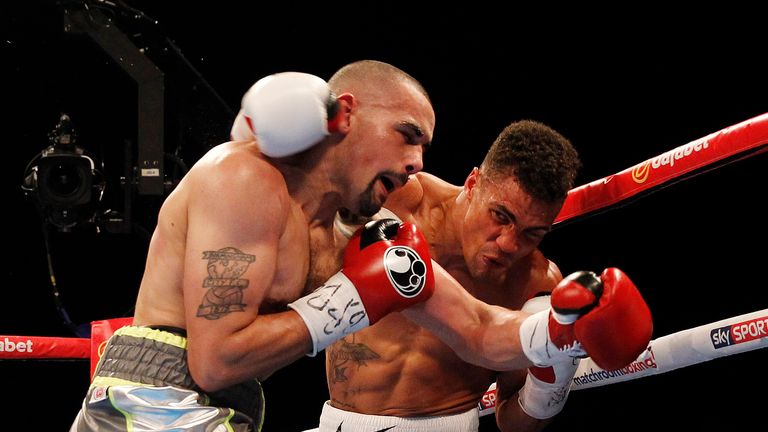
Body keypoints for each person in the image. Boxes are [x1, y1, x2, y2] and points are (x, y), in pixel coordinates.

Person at [70, 60, 439, 431]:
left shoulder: (355, 235)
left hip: (219, 401)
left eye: (424, 148)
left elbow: (476, 326)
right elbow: (215, 363)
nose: (417, 162)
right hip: (160, 398)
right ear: (346, 112)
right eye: (407, 135)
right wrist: (350, 301)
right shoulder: (245, 177)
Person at [320, 120, 615, 431]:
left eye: (532, 233)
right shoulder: (401, 201)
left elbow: (512, 422)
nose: (508, 244)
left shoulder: (535, 283)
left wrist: (553, 381)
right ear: (473, 183)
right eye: (501, 216)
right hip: (337, 422)